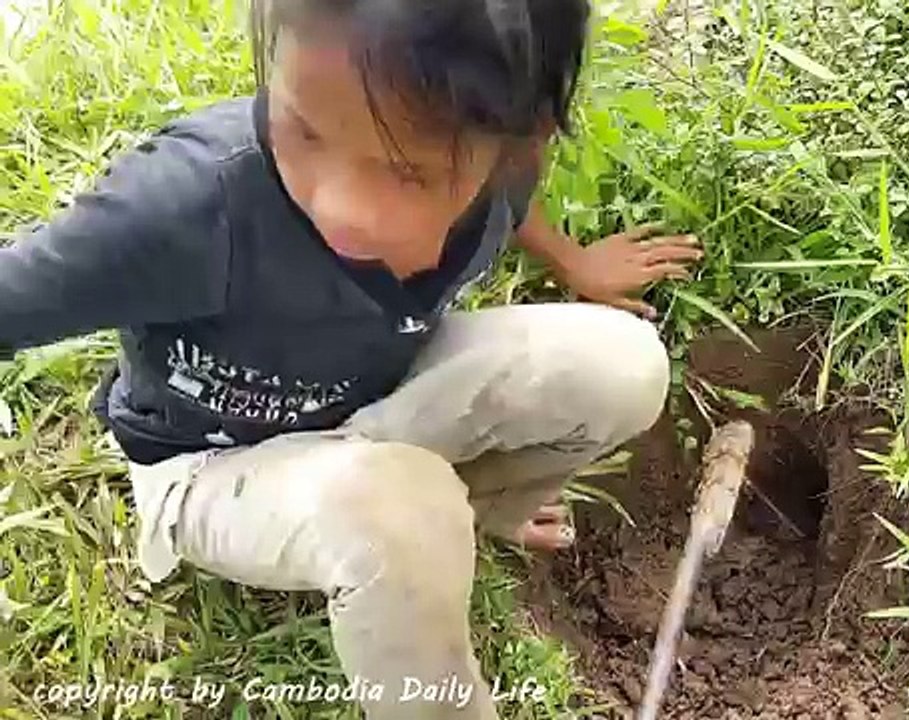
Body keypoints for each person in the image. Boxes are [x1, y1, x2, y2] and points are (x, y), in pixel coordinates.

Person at [0, 0, 702, 717]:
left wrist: (573, 263)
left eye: (404, 173)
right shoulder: (181, 208)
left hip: (374, 397)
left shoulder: (500, 165)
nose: (337, 208)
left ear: (519, 144)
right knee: (397, 511)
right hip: (211, 464)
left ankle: (478, 511)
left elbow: (510, 203)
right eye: (302, 130)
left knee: (623, 364)